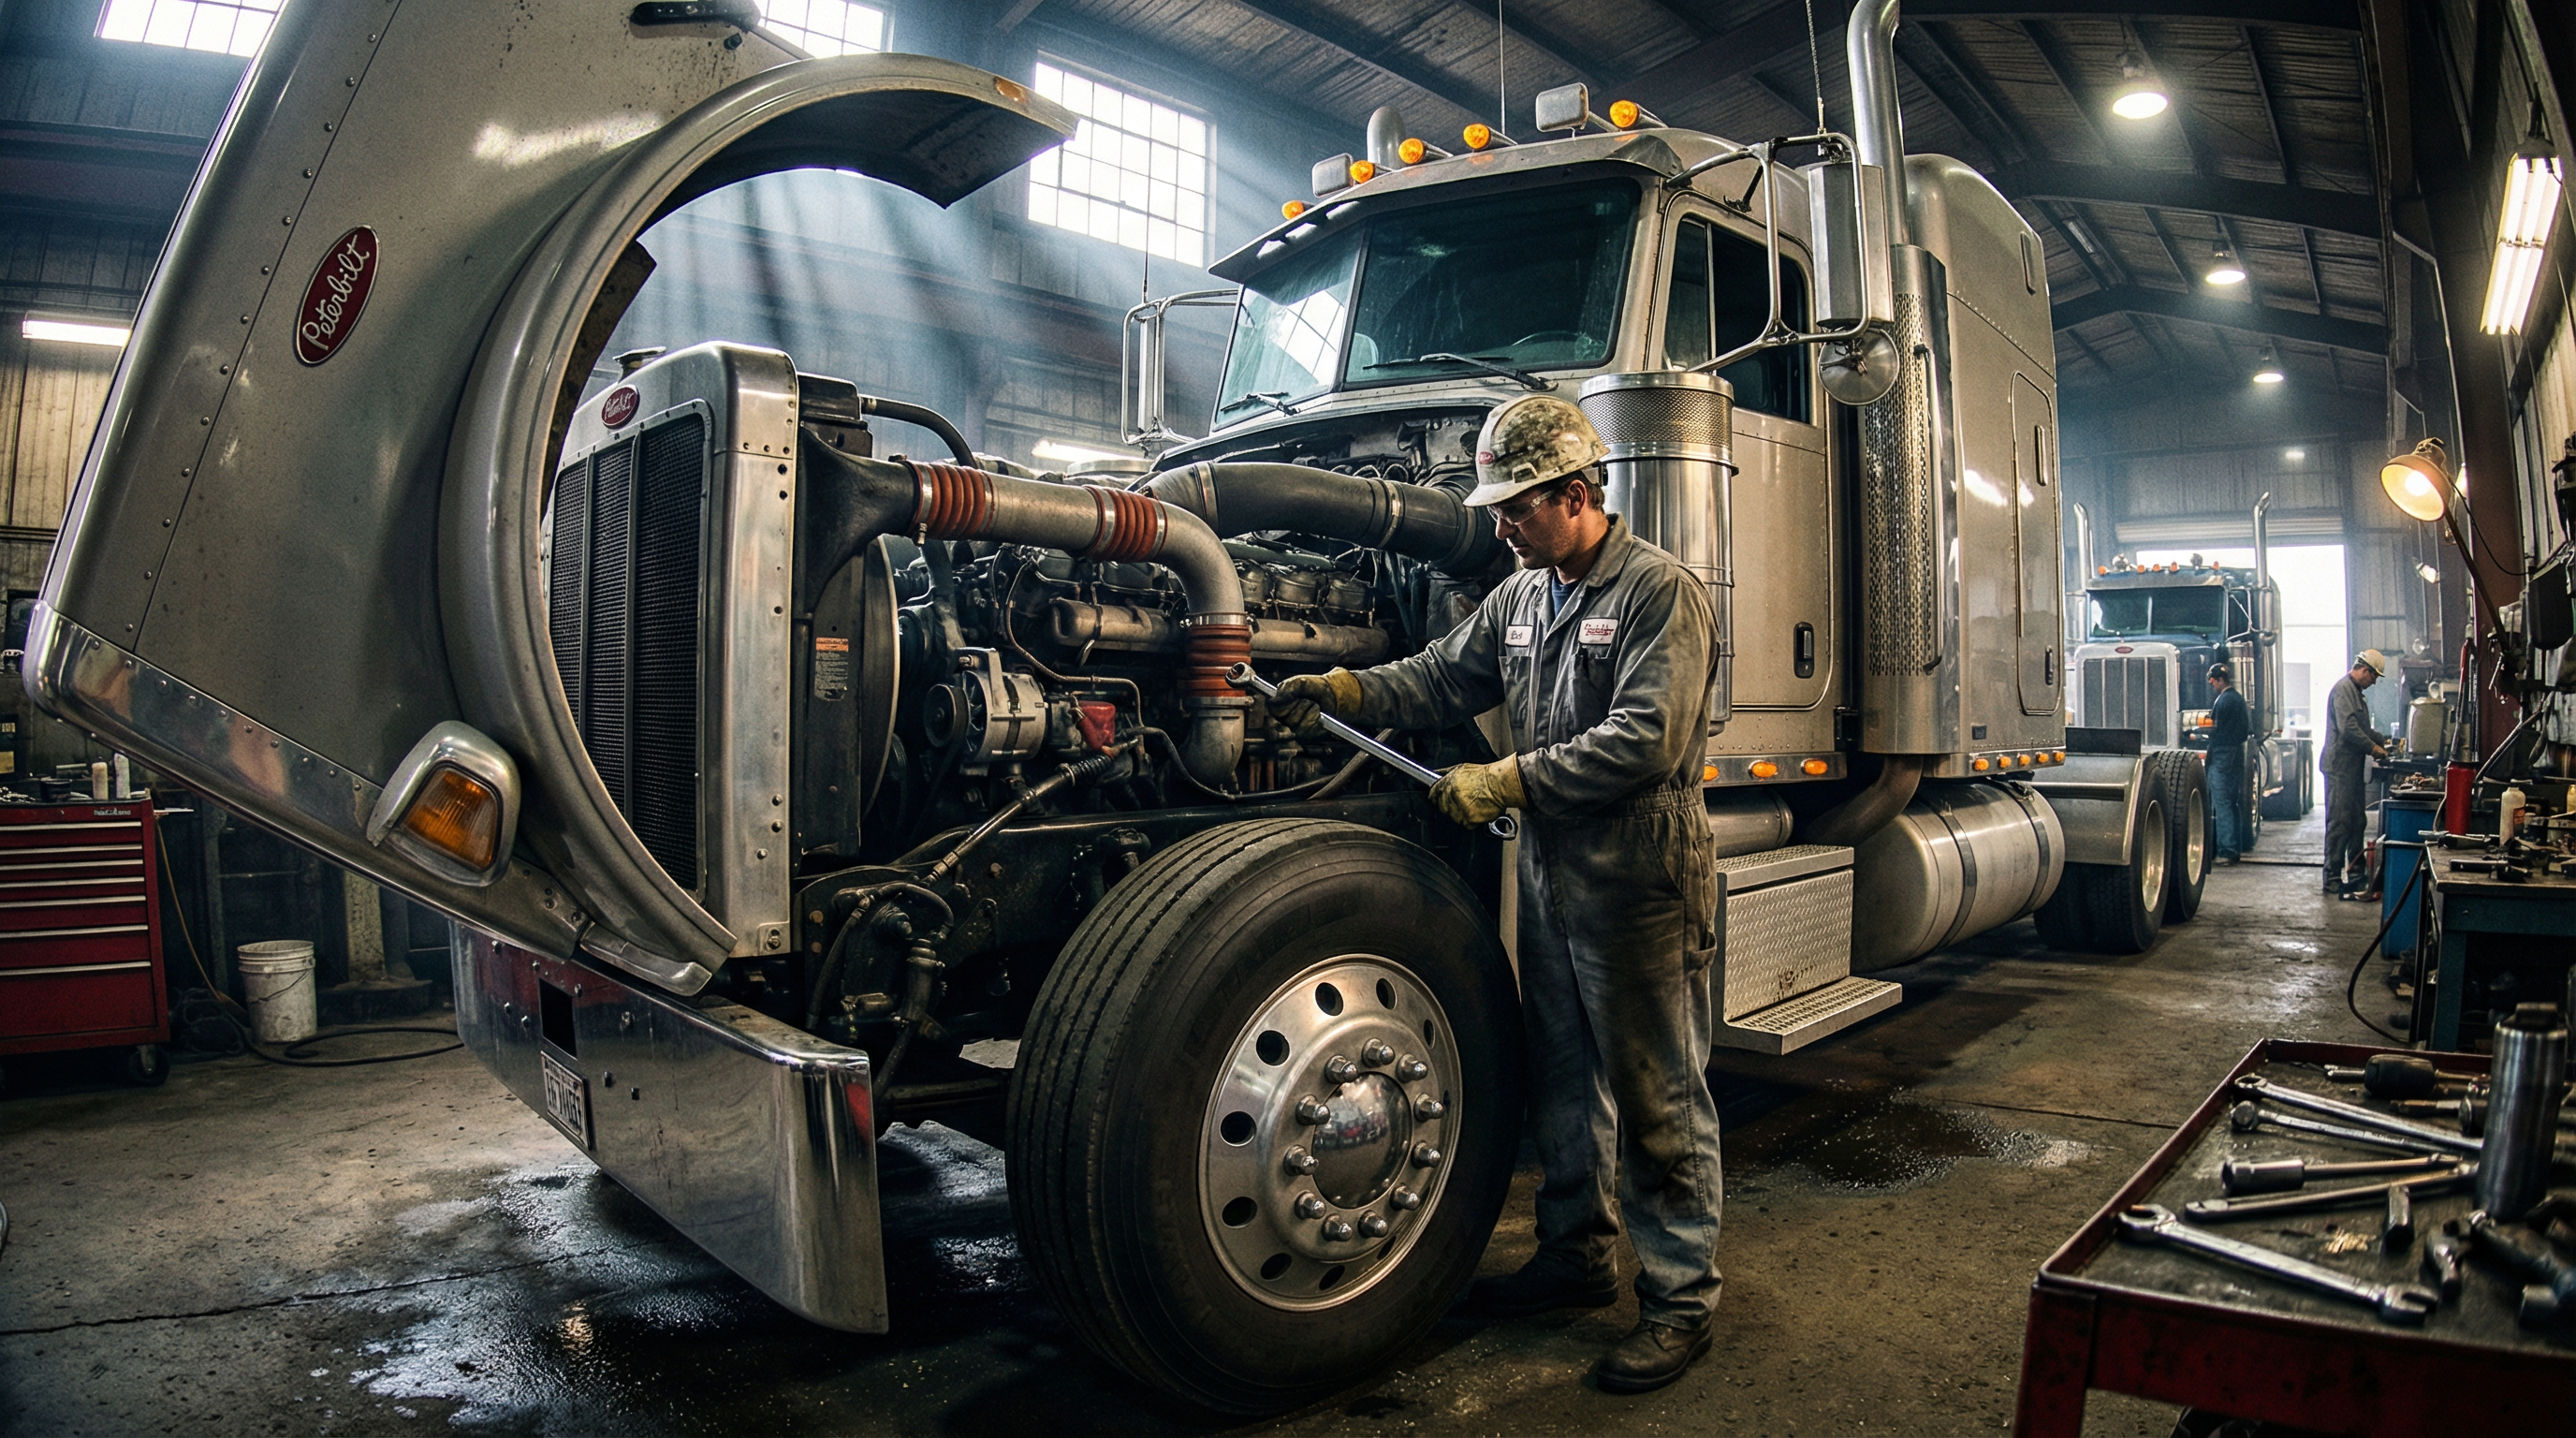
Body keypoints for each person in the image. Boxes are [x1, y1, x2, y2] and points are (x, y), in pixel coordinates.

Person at [1268, 393, 1724, 1394]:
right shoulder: (1522, 597)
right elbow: (1441, 676)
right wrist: (1348, 689)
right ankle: (1574, 1256)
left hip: (1640, 868)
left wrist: (1507, 780)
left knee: (1656, 1092)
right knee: (1561, 1078)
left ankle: (1681, 1299)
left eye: (1515, 508)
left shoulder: (1658, 593)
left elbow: (1645, 739)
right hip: (1554, 864)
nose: (1500, 527)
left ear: (1573, 495)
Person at [2322, 650, 2390, 898]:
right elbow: (2348, 728)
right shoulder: (2343, 690)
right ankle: (2331, 880)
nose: (2374, 682)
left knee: (2357, 822)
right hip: (2339, 768)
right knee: (2340, 824)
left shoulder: (2357, 694)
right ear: (2364, 670)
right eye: (2374, 677)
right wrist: (2373, 749)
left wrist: (2383, 740)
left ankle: (2356, 875)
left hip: (2351, 769)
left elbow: (2362, 728)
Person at [2204, 663, 2250, 862]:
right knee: (2232, 802)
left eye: (2213, 681)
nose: (2212, 685)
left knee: (2221, 802)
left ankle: (2226, 850)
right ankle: (2235, 847)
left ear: (2221, 680)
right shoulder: (2238, 699)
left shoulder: (2223, 701)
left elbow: (2216, 727)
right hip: (2235, 754)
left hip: (2222, 755)